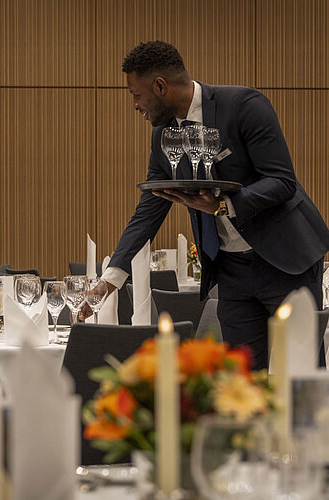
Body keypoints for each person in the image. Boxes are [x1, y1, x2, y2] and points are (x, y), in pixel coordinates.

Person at [89, 41, 329, 370]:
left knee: (301, 378)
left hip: (285, 260)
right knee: (239, 383)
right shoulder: (163, 136)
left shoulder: (244, 105)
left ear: (160, 86)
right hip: (231, 270)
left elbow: (282, 181)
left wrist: (224, 205)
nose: (135, 105)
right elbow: (149, 210)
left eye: (136, 94)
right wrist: (111, 279)